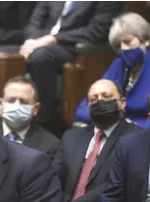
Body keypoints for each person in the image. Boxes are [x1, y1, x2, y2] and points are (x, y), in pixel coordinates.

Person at [20, 1, 123, 136]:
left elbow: (96, 31)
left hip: (73, 47)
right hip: (40, 44)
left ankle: (42, 121)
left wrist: (54, 39)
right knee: (22, 54)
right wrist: (31, 41)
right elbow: (34, 21)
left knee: (40, 57)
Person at [54, 79, 138, 202]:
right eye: (94, 99)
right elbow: (53, 178)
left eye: (106, 97)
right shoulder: (72, 136)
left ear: (123, 102)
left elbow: (115, 184)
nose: (100, 102)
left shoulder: (135, 138)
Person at [75, 12, 150, 128]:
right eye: (118, 45)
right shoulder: (118, 64)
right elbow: (88, 104)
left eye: (128, 42)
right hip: (112, 127)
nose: (123, 48)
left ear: (146, 40)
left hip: (142, 133)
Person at [0, 75, 59, 159]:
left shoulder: (50, 145)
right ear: (0, 104)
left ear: (36, 108)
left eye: (24, 102)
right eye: (11, 100)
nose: (16, 106)